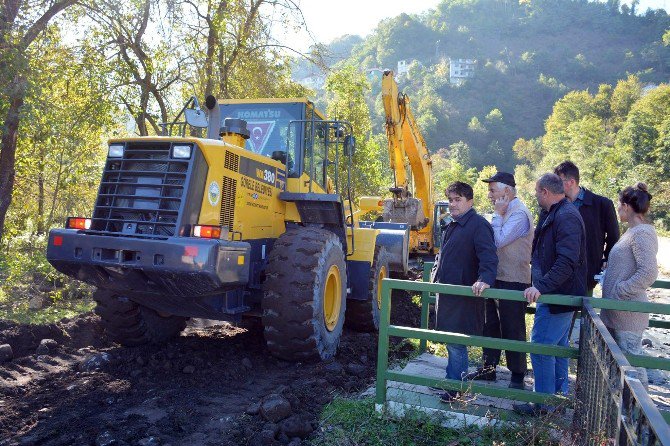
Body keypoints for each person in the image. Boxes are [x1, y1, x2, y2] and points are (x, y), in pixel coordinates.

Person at [513, 173, 587, 416]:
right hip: (556, 294)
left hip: (557, 295)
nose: (535, 196)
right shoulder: (558, 214)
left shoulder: (565, 217)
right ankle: (557, 401)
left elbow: (567, 261)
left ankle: (544, 405)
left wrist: (541, 286)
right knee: (556, 348)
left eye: (536, 192)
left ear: (545, 191)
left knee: (542, 347)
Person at [464, 172, 532, 390]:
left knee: (513, 328)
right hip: (496, 277)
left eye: (493, 190)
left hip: (513, 279)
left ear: (507, 191)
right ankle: (489, 368)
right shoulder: (506, 211)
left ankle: (518, 376)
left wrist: (497, 214)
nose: (489, 194)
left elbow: (498, 241)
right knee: (490, 324)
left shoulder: (519, 213)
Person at [430, 181, 498, 403]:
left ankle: (455, 390)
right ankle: (452, 381)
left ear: (470, 201)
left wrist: (485, 279)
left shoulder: (478, 225)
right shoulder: (453, 225)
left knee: (457, 342)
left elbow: (489, 256)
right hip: (448, 293)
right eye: (450, 200)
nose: (452, 204)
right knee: (452, 340)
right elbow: (443, 257)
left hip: (462, 295)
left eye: (457, 200)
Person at [600, 183, 658, 388]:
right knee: (620, 370)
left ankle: (639, 418)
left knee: (633, 371)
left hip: (628, 314)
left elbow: (649, 272)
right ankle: (621, 415)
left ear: (626, 206)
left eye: (618, 205)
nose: (617, 210)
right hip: (618, 313)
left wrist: (620, 289)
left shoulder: (641, 233)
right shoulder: (633, 232)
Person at [554, 161, 619, 294]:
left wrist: (605, 259)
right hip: (559, 271)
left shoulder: (602, 204)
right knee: (559, 312)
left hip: (588, 272)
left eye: (558, 181)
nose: (555, 185)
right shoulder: (556, 205)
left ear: (571, 182)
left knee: (585, 311)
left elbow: (614, 237)